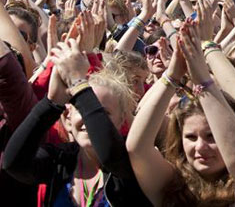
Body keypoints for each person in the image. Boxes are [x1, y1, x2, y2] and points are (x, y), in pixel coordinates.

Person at [125, 20, 235, 207]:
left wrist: (205, 54)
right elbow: (136, 148)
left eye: (211, 137)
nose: (201, 147)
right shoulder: (172, 183)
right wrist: (172, 76)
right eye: (191, 137)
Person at [2, 39, 150, 207]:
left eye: (102, 112)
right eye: (81, 109)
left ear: (122, 119)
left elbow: (110, 157)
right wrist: (51, 103)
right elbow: (13, 164)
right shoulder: (60, 159)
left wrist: (78, 84)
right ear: (69, 117)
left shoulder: (134, 160)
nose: (88, 117)